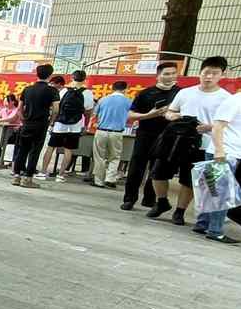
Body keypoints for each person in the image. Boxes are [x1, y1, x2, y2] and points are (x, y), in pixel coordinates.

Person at [192, 67, 241, 243]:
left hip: (233, 152)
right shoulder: (235, 101)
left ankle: (202, 223)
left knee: (212, 191)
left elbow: (239, 126)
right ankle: (215, 231)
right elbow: (218, 126)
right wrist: (220, 151)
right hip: (223, 152)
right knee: (222, 194)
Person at [148, 56, 232, 225]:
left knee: (188, 179)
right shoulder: (185, 92)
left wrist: (209, 127)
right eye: (206, 72)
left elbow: (228, 124)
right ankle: (162, 202)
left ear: (223, 74)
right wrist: (173, 116)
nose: (209, 77)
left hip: (202, 144)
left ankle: (180, 211)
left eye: (214, 73)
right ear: (200, 72)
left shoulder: (226, 98)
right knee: (158, 172)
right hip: (175, 141)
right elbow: (170, 111)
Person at [122, 62, 179, 210]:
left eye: (173, 73)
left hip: (167, 137)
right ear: (158, 75)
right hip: (145, 135)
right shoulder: (146, 93)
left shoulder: (181, 93)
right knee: (136, 167)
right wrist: (150, 115)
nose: (170, 76)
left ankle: (149, 199)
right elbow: (130, 115)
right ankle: (129, 199)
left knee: (157, 169)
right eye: (166, 74)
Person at [38, 71, 93, 181]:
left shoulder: (64, 91)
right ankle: (61, 175)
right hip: (75, 126)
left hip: (59, 124)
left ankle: (43, 173)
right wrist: (85, 125)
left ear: (72, 78)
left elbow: (56, 108)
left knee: (51, 147)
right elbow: (88, 112)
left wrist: (53, 122)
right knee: (68, 150)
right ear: (84, 79)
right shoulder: (88, 93)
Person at [11, 64, 59, 188]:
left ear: (37, 74)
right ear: (50, 75)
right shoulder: (52, 91)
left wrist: (24, 120)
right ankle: (27, 178)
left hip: (27, 124)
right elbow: (55, 109)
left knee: (22, 150)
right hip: (41, 124)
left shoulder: (27, 89)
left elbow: (19, 108)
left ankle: (16, 176)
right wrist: (51, 122)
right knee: (35, 151)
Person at [91, 81, 133, 188]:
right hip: (117, 133)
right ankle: (110, 179)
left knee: (99, 157)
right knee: (114, 157)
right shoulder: (128, 101)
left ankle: (98, 181)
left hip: (101, 131)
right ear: (125, 89)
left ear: (112, 88)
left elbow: (94, 115)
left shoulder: (103, 100)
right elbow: (131, 116)